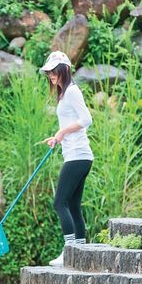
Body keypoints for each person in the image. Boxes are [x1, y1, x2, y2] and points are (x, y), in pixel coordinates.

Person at [40, 51, 94, 267]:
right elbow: (72, 124)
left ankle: (70, 251)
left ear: (64, 69)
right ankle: (79, 252)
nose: (51, 75)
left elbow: (86, 119)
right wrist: (58, 137)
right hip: (78, 155)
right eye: (49, 72)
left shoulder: (72, 92)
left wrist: (62, 133)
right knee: (72, 205)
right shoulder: (64, 94)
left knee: (59, 202)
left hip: (77, 156)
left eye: (54, 70)